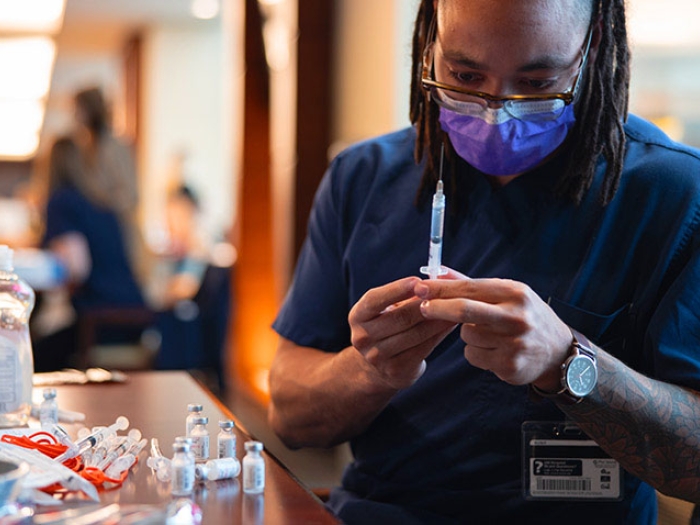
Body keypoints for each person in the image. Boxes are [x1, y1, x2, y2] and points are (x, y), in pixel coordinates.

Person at [267, 0, 700, 523]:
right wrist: (369, 370)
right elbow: (289, 415)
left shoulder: (672, 195)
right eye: (466, 75)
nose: (498, 112)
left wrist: (568, 363)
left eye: (537, 83)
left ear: (594, 43)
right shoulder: (362, 180)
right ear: (429, 37)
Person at [33, 87, 148, 371]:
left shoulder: (62, 201)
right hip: (133, 313)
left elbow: (78, 266)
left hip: (103, 320)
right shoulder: (100, 201)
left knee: (29, 355)